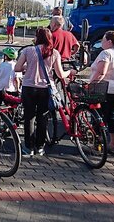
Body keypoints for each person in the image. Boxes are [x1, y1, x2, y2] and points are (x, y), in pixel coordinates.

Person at [15, 28, 71, 156]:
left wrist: (27, 67)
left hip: (29, 87)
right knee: (43, 118)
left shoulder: (28, 50)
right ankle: (40, 146)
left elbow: (17, 68)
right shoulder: (54, 53)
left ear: (37, 37)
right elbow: (60, 74)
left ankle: (28, 147)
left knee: (29, 117)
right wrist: (70, 72)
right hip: (46, 89)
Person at [89, 31, 114, 154]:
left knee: (98, 115)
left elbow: (101, 72)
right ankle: (113, 144)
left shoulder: (106, 53)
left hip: (105, 88)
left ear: (109, 41)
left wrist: (91, 84)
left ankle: (98, 142)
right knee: (113, 115)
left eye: (103, 39)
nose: (101, 42)